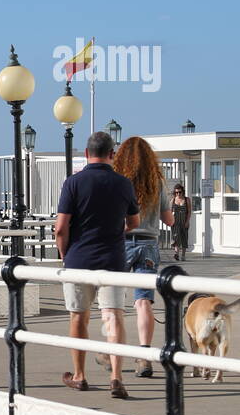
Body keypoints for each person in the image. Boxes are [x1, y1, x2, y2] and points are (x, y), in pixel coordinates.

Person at [55, 131, 140, 399]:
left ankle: (79, 376)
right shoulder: (123, 184)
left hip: (78, 260)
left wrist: (64, 254)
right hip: (113, 260)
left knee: (79, 317)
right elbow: (134, 222)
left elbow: (60, 228)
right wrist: (117, 231)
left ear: (85, 154)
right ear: (112, 155)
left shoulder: (73, 183)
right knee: (114, 317)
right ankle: (116, 377)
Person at [113, 136, 173, 378]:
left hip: (121, 243)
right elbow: (169, 220)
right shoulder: (156, 182)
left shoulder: (118, 182)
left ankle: (111, 351)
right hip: (148, 245)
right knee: (143, 302)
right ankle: (144, 356)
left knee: (114, 301)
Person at [169, 184, 191, 261]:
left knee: (184, 237)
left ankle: (183, 255)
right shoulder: (173, 200)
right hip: (175, 222)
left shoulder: (187, 199)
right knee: (176, 238)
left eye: (179, 192)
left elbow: (189, 212)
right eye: (176, 192)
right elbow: (169, 212)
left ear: (183, 191)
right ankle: (176, 254)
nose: (178, 194)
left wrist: (187, 221)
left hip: (184, 221)